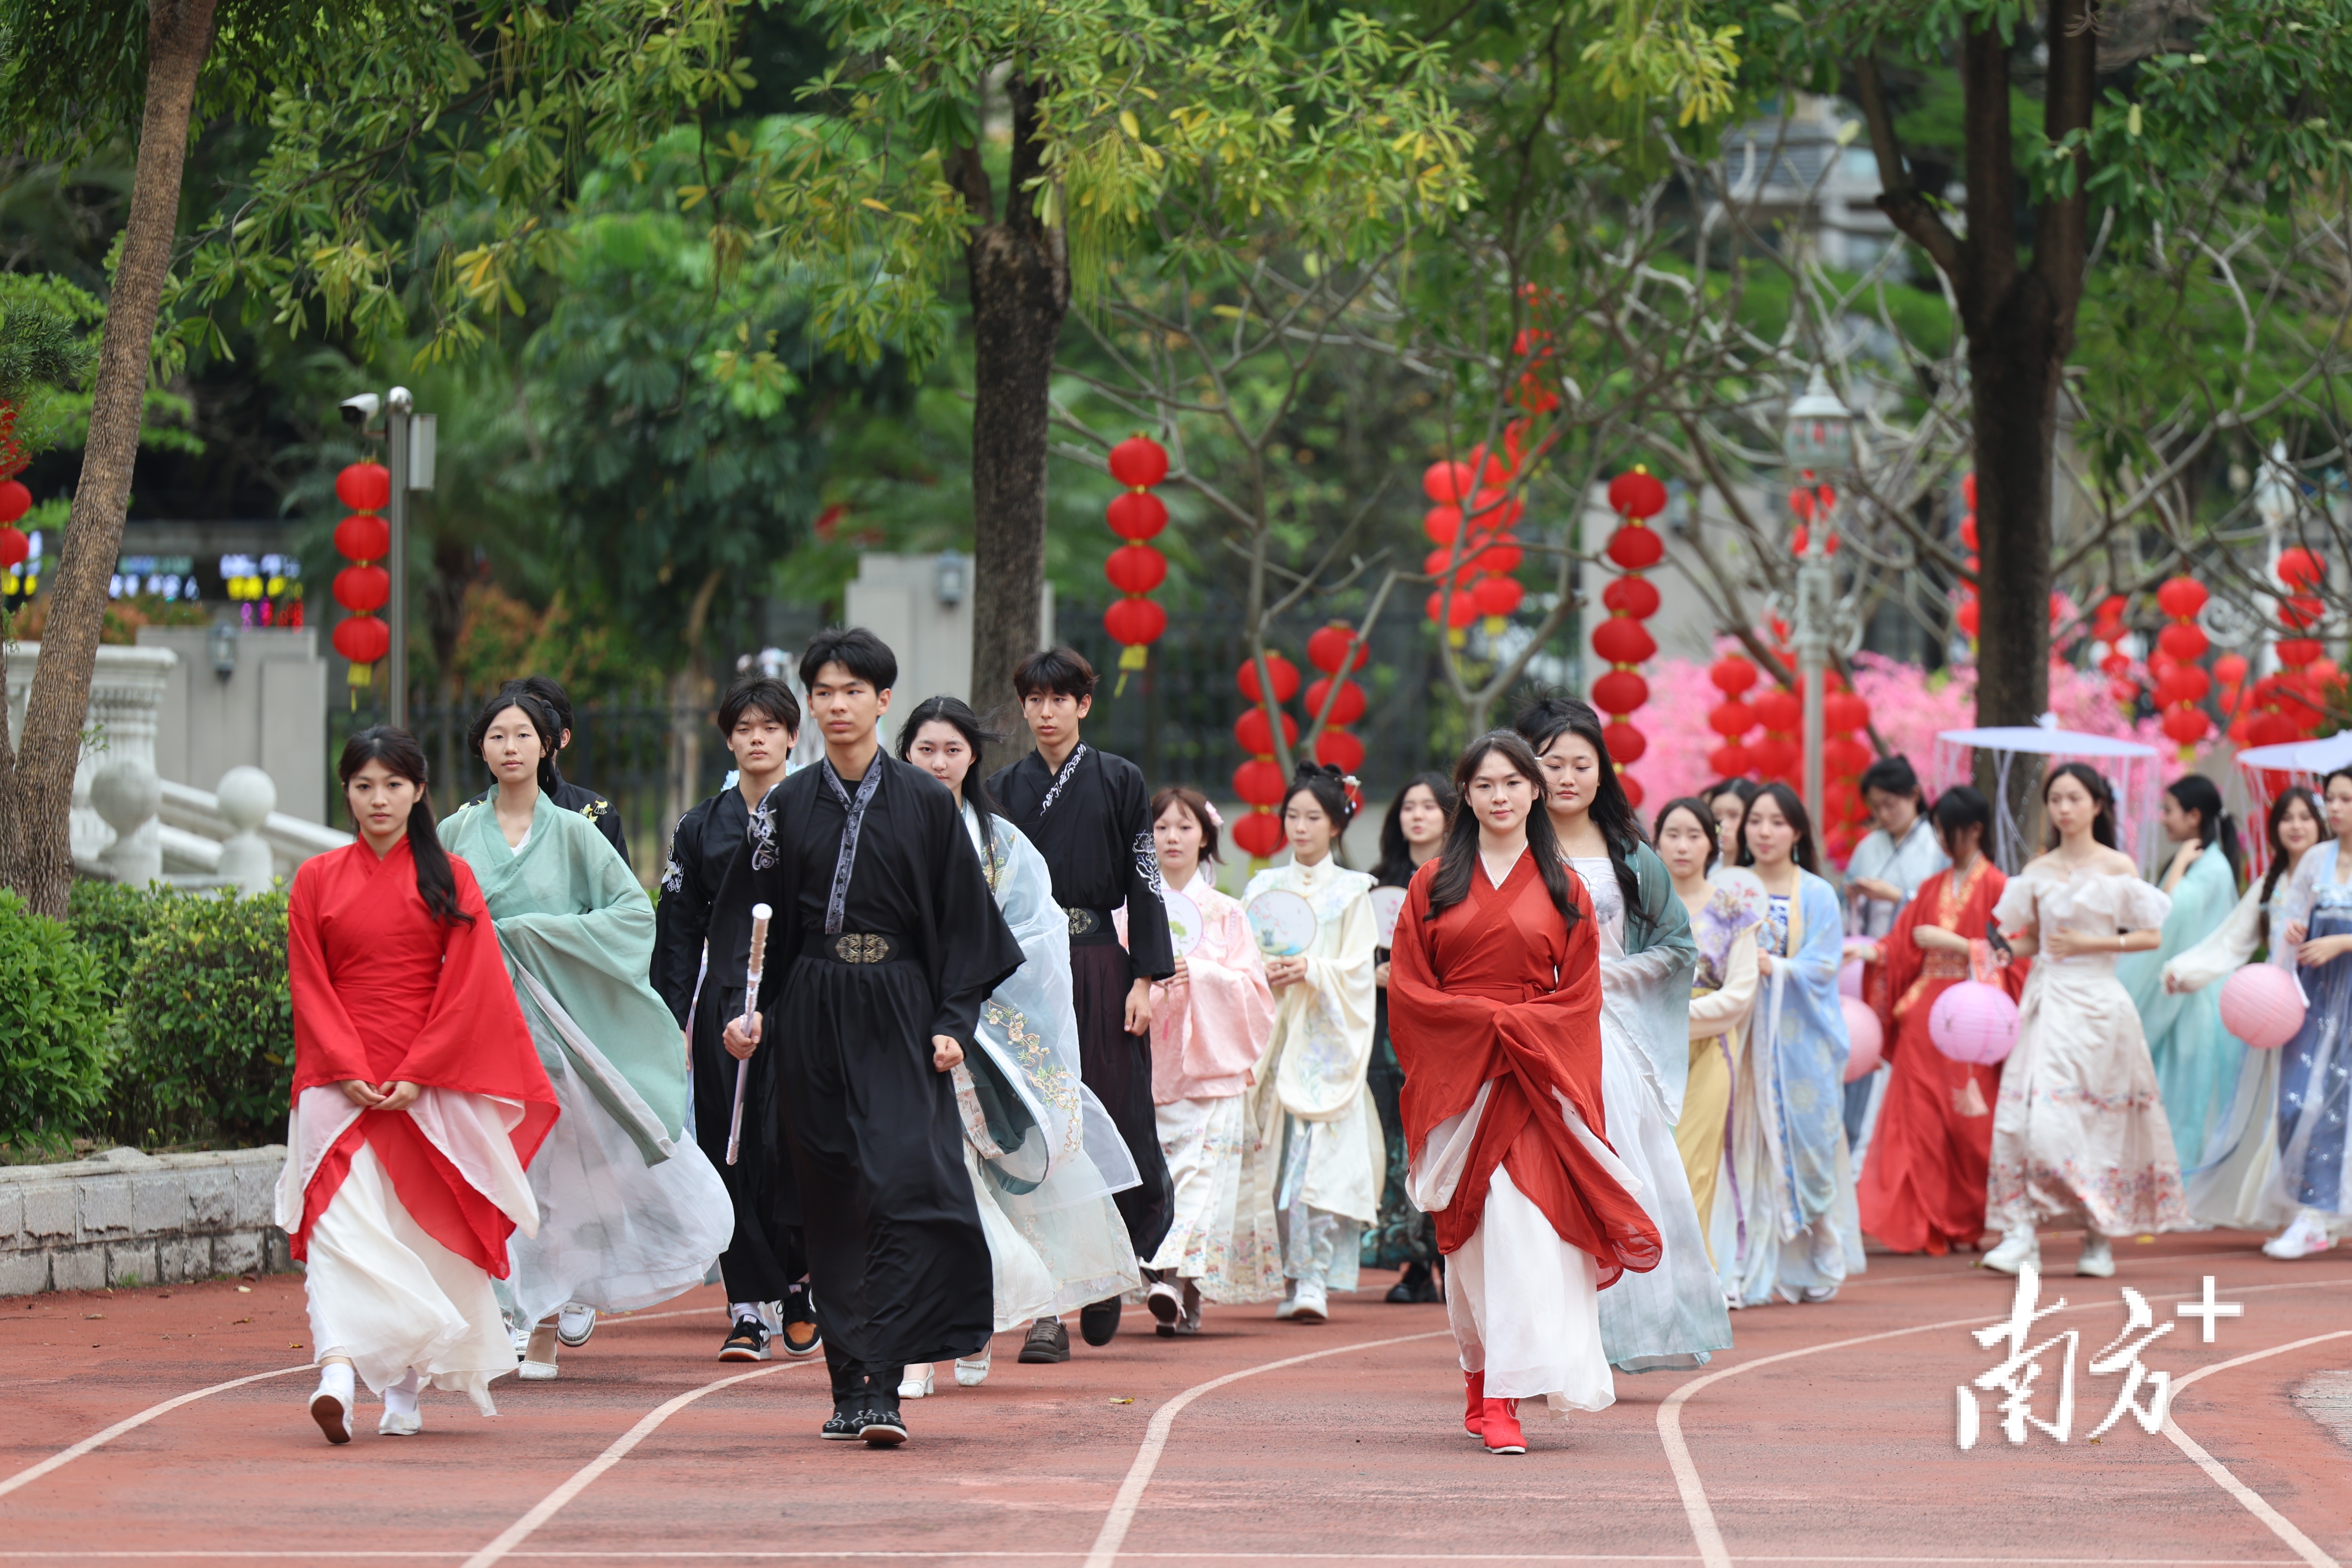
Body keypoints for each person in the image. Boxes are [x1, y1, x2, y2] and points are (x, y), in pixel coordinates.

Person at [723, 629, 1026, 1446]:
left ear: (883, 699)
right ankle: (851, 1382)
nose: (837, 704)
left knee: (903, 1182)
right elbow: (757, 928)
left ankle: (887, 1373)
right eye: (824, 690)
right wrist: (748, 1013)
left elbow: (967, 921)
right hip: (812, 1008)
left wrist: (951, 1020)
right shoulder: (784, 806)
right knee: (832, 1199)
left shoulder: (927, 802)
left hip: (899, 1007)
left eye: (854, 689)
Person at [442, 684, 732, 1378]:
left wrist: (533, 934)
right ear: (480, 748)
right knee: (489, 1172)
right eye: (497, 737)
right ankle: (503, 1314)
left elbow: (633, 917)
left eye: (522, 736)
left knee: (555, 1179)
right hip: (479, 1028)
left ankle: (540, 1326)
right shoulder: (453, 833)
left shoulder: (576, 833)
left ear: (547, 746)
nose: (510, 749)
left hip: (556, 1032)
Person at [281, 726, 558, 1444]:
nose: (379, 799)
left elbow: (472, 986)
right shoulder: (316, 879)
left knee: (414, 1234)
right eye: (365, 785)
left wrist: (415, 1071)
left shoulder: (451, 880)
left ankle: (404, 1388)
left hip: (423, 1083)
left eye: (394, 785)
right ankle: (337, 1372)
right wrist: (349, 1069)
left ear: (419, 791)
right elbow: (309, 986)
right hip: (336, 1085)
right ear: (345, 791)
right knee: (338, 1228)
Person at [1388, 731, 1661, 1455]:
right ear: (1466, 796)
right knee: (1472, 1241)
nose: (1500, 797)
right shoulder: (1432, 885)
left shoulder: (1564, 884)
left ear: (1535, 792)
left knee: (1526, 1233)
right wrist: (1484, 1022)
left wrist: (1521, 1027)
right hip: (1462, 1080)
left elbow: (1580, 994)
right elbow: (1413, 993)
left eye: (1513, 783)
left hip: (1537, 1078)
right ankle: (1480, 1381)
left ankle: (1506, 1394)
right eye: (1484, 786)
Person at [894, 697, 1142, 1395]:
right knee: (918, 1184)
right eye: (925, 750)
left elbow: (1036, 947)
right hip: (896, 1029)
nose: (939, 763)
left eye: (951, 750)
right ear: (905, 753)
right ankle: (933, 1336)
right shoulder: (883, 832)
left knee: (980, 1186)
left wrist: (966, 1005)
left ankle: (969, 1325)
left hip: (981, 1040)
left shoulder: (1006, 848)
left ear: (974, 757)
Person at [1516, 699, 1725, 1368]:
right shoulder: (1503, 849)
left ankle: (1624, 1330)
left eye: (1583, 764)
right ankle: (1541, 1332)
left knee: (1618, 1170)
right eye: (1553, 765)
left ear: (1603, 772)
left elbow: (1676, 949)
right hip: (1524, 1034)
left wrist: (1608, 978)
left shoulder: (1632, 856)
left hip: (1609, 1037)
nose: (1569, 778)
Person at [989, 646, 1176, 1349]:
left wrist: (1146, 978)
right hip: (1025, 971)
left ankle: (1114, 1261)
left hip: (1100, 961)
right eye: (1033, 700)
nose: (1045, 713)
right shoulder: (1002, 787)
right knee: (1039, 1123)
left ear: (1083, 705)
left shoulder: (1120, 779)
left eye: (1058, 700)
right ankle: (1048, 1309)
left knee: (1118, 1113)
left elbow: (1145, 880)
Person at [650, 674, 818, 1363]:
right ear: (730, 738)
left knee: (793, 1145)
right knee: (729, 1149)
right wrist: (671, 1022)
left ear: (790, 736)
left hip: (799, 1001)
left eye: (770, 728)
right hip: (722, 1001)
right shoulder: (699, 827)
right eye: (744, 728)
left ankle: (803, 1282)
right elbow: (678, 931)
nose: (757, 739)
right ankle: (746, 1305)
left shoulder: (814, 816)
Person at [1984, 763, 2192, 1279]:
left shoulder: (2117, 867)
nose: (2064, 809)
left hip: (2099, 1004)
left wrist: (2089, 943)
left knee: (2098, 1120)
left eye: (2075, 798)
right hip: (2047, 999)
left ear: (2097, 804)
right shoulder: (2037, 871)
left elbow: (2149, 936)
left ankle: (2098, 1237)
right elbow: (2033, 938)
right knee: (2027, 1119)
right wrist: (2006, 951)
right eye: (2056, 799)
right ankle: (2021, 1232)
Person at [1130, 785, 1282, 1334]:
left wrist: (1207, 975)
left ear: (1205, 838)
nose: (1172, 837)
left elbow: (1255, 990)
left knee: (1199, 1181)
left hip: (1208, 1067)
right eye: (1162, 828)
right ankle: (1170, 1282)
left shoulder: (1227, 913)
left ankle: (1173, 1279)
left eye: (1185, 827)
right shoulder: (1129, 910)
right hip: (1149, 1062)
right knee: (1158, 1175)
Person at [1853, 787, 2023, 1256]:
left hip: (1976, 1021)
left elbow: (2015, 954)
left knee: (1968, 1125)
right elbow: (1898, 944)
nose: (1944, 842)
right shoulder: (1931, 888)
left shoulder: (2001, 888)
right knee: (1918, 1122)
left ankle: (1963, 1219)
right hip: (1924, 1018)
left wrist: (1955, 944)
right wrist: (1867, 952)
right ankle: (1922, 1222)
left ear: (1975, 830)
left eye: (1950, 831)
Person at [1246, 763, 1381, 1323]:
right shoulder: (1262, 888)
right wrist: (1265, 972)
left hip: (1325, 1044)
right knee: (1276, 1160)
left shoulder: (1354, 892)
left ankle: (1315, 1277)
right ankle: (1290, 1274)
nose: (1300, 828)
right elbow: (1243, 959)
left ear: (1336, 825)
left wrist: (1313, 968)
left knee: (1318, 1158)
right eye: (1293, 817)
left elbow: (1356, 969)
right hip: (1277, 1039)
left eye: (1313, 818)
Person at [1721, 783, 1862, 1306]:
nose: (1763, 831)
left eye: (1777, 822)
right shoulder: (1728, 887)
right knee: (1740, 1147)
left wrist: (1772, 966)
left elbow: (1826, 964)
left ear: (1798, 831)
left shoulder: (1817, 893)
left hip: (1800, 1043)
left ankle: (1823, 1243)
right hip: (1739, 1035)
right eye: (1755, 820)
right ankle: (1742, 1264)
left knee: (1810, 1143)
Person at [2162, 786, 2323, 1234]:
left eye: (2305, 818)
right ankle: (2274, 1203)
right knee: (2270, 1103)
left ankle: (2314, 1204)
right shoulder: (2270, 883)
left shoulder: (2334, 882)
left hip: (2324, 1008)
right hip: (2275, 1011)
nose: (2295, 826)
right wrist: (2187, 970)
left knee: (2312, 1106)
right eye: (2286, 818)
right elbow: (2233, 940)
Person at [1653, 797, 1764, 1265]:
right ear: (1655, 841)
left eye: (1694, 835)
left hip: (1709, 1051)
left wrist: (1673, 1018)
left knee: (1693, 1168)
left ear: (1713, 844)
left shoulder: (1734, 912)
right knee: (1650, 1168)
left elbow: (1740, 995)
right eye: (1672, 835)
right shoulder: (1638, 908)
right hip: (1647, 1053)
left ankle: (1694, 1283)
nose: (1682, 846)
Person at [2118, 775, 2248, 1170]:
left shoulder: (2208, 868)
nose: (2163, 818)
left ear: (2194, 816)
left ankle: (2185, 1183)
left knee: (2189, 1094)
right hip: (2190, 994)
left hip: (2198, 1000)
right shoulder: (2205, 863)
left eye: (2169, 810)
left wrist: (2177, 867)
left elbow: (2167, 912)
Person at [1369, 773, 1455, 1303]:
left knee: (1443, 1136)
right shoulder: (1376, 883)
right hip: (1388, 1030)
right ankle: (1414, 1263)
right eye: (1408, 806)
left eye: (1428, 806)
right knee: (1399, 1143)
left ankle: (1450, 1254)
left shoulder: (1462, 879)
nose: (1417, 815)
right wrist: (1371, 973)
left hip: (1443, 1031)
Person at [2264, 769, 2352, 1259]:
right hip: (2312, 992)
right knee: (2295, 1098)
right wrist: (2294, 935)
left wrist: (2343, 940)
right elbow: (2290, 919)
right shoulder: (2316, 860)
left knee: (2342, 1101)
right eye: (2331, 799)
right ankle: (2309, 1207)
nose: (2334, 809)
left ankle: (2317, 1214)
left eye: (2346, 799)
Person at [1841, 756, 1948, 1149]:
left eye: (1892, 804)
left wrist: (1898, 896)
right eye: (1878, 807)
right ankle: (1853, 1138)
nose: (1884, 814)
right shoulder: (1870, 846)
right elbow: (1845, 896)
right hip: (1867, 960)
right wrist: (1854, 895)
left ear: (1914, 796)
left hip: (1916, 963)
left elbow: (1942, 905)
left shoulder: (1936, 844)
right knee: (1862, 1044)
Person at [463, 674, 628, 868]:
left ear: (557, 739)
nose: (512, 746)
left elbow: (621, 894)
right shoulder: (466, 820)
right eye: (500, 734)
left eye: (524, 733)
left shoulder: (595, 814)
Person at [1703, 779, 1758, 865]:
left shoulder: (1758, 875)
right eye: (1716, 815)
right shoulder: (1704, 870)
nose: (1723, 825)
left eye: (1734, 815)